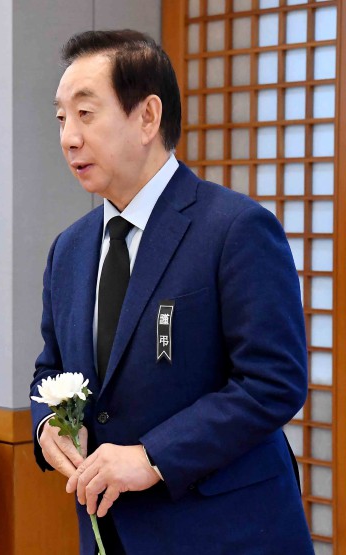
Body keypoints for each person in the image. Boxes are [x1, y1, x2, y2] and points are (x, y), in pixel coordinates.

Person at [30, 29, 314, 554]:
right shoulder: (68, 250)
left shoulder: (235, 228)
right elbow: (52, 368)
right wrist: (49, 425)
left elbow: (273, 381)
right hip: (109, 533)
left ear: (147, 117)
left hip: (224, 532)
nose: (69, 137)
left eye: (85, 114)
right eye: (62, 118)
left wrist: (152, 456)